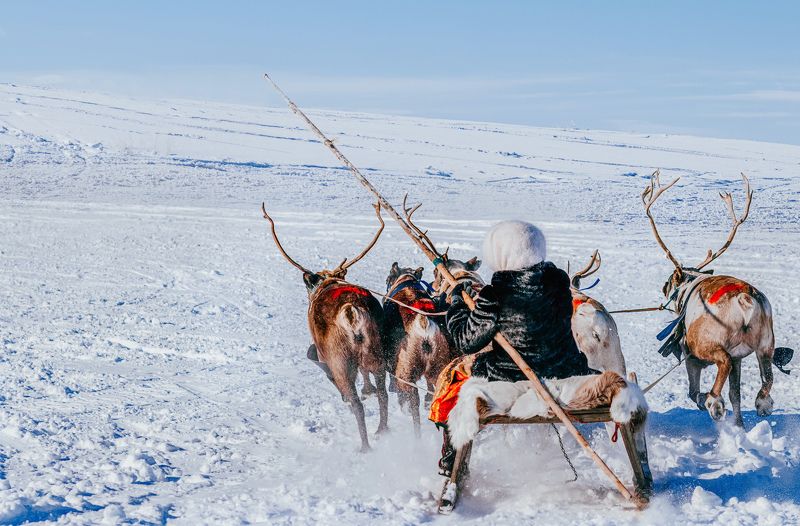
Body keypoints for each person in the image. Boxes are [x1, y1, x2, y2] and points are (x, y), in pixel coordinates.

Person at [429, 220, 595, 476]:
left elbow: (465, 340)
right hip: (566, 371)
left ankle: (450, 462)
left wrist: (457, 305)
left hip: (512, 378)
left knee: (451, 381)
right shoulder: (559, 284)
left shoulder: (495, 294)